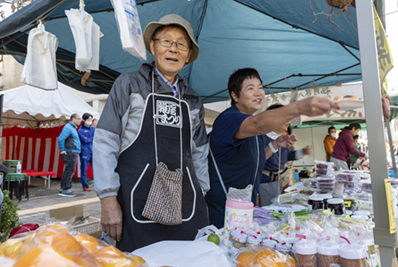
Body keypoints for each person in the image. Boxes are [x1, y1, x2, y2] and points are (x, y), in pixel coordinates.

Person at [93, 15, 209, 251]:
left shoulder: (193, 99)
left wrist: (201, 194)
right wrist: (107, 198)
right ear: (152, 46)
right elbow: (105, 142)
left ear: (188, 56)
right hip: (134, 201)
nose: (173, 49)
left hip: (185, 204)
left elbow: (199, 153)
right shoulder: (129, 85)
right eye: (166, 41)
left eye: (181, 44)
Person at [205, 68, 337, 228]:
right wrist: (297, 108)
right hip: (222, 213)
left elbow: (258, 160)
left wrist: (275, 145)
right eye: (250, 88)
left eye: (260, 87)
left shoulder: (252, 129)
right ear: (234, 95)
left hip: (243, 211)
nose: (258, 93)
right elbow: (258, 123)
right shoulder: (229, 118)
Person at [261, 104, 312, 191]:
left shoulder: (282, 137)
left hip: (279, 181)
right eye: (285, 117)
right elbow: (255, 159)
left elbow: (287, 155)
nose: (288, 121)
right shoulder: (260, 137)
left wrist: (302, 152)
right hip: (264, 181)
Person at [58, 113, 81, 197]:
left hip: (72, 151)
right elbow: (60, 138)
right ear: (73, 119)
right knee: (70, 171)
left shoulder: (72, 128)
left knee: (68, 170)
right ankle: (66, 189)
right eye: (78, 119)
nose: (80, 120)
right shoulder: (68, 127)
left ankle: (63, 189)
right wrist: (62, 150)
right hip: (70, 151)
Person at [78, 113, 95, 191]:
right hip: (85, 152)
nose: (90, 121)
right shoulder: (80, 130)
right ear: (84, 120)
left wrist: (89, 138)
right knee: (84, 169)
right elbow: (84, 140)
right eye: (88, 119)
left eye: (91, 119)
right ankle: (85, 185)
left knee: (96, 168)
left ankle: (98, 184)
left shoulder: (93, 129)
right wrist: (92, 137)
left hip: (93, 151)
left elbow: (95, 138)